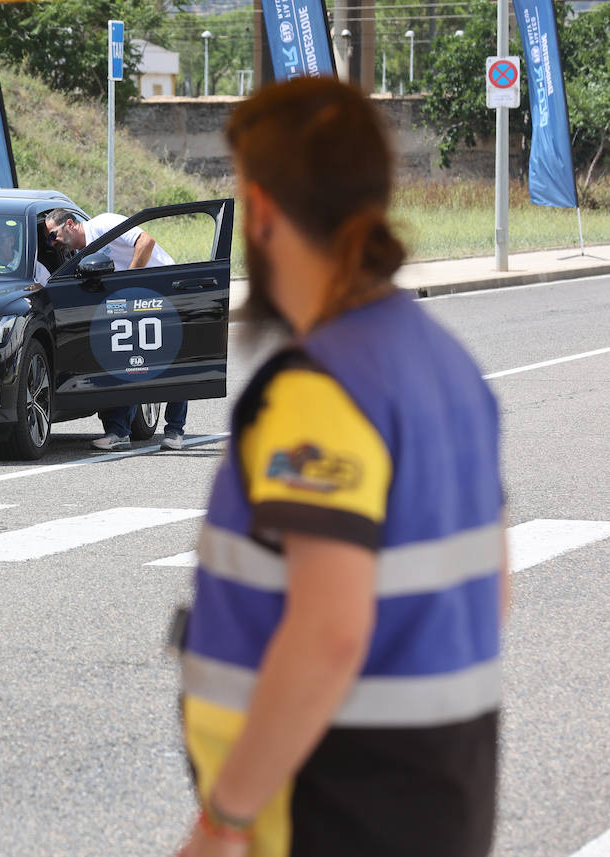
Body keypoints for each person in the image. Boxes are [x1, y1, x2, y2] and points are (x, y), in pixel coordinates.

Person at [172, 78, 505, 857]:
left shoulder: (319, 388)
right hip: (437, 789)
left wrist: (226, 817)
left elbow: (329, 632)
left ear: (258, 211)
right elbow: (490, 590)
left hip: (329, 803)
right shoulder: (445, 361)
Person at [43, 208, 187, 451]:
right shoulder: (79, 254)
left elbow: (146, 242)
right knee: (126, 363)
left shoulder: (103, 224)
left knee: (169, 362)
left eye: (52, 235)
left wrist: (128, 282)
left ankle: (175, 430)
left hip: (162, 291)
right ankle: (119, 432)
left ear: (69, 224)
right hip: (130, 304)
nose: (51, 242)